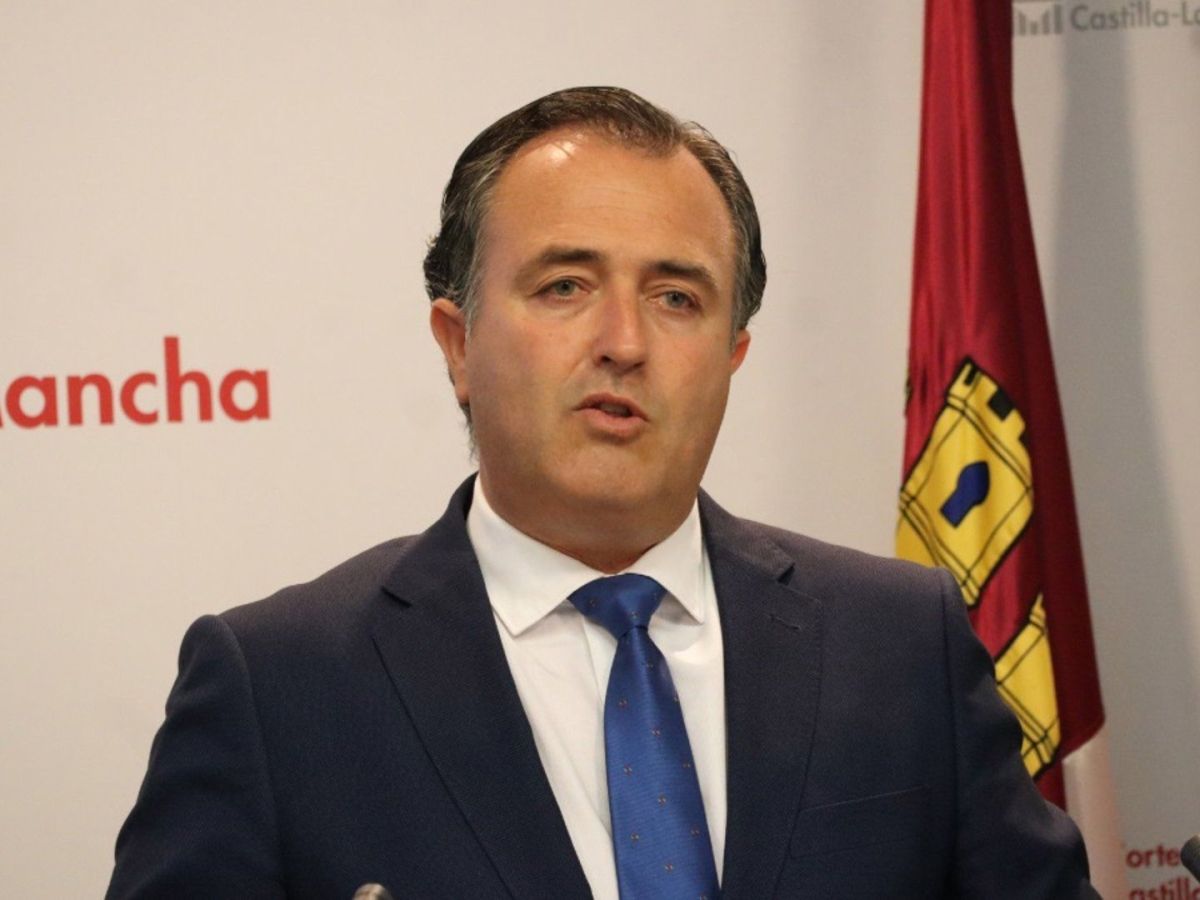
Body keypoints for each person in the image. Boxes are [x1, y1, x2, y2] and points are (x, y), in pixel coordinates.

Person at [107, 86, 1096, 899]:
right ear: (458, 344)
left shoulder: (901, 643)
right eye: (565, 287)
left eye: (677, 298)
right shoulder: (278, 686)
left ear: (733, 355)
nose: (624, 342)